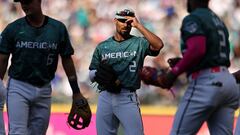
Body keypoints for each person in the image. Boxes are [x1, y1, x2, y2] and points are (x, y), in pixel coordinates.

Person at [141, 0, 239, 134]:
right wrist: (184, 63)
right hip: (227, 83)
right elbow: (211, 57)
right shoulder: (217, 20)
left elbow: (197, 49)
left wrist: (172, 74)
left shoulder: (194, 17)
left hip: (207, 83)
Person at [0, 0, 90, 134]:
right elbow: (2, 59)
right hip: (19, 86)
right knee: (18, 132)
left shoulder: (57, 28)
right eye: (22, 2)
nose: (24, 5)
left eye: (28, 1)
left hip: (44, 88)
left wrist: (76, 91)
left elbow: (67, 59)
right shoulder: (13, 28)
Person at [89, 8, 164, 135]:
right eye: (122, 21)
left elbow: (158, 45)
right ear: (115, 21)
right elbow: (91, 74)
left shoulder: (138, 43)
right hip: (105, 96)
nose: (125, 24)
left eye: (129, 22)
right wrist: (98, 75)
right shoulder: (103, 46)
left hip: (126, 96)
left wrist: (139, 26)